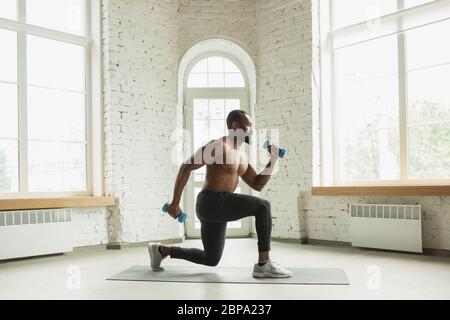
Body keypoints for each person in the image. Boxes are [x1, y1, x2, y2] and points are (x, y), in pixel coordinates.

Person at [148, 110, 292, 278]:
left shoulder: (242, 157)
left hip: (219, 206)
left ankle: (160, 250)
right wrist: (175, 202)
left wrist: (273, 159)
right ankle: (263, 263)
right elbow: (186, 166)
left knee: (211, 258)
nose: (252, 130)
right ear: (236, 126)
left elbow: (257, 184)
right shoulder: (218, 146)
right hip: (210, 202)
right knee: (263, 207)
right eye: (249, 125)